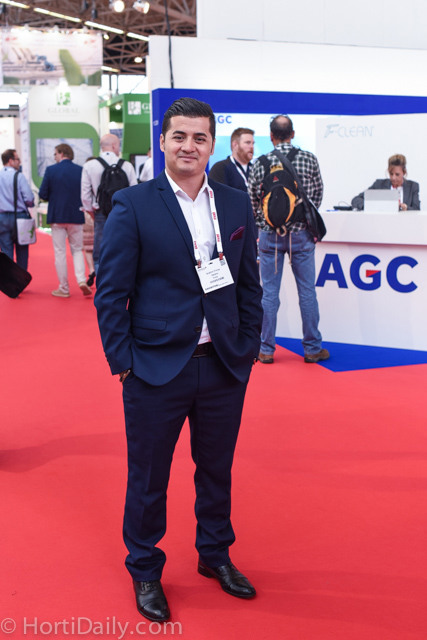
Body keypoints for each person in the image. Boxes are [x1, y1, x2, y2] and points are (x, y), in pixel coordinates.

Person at [94, 97, 263, 623]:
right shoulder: (133, 203)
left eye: (199, 138)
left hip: (223, 365)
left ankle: (215, 554)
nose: (189, 146)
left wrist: (247, 346)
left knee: (216, 469)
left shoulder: (234, 203)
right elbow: (111, 292)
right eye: (180, 136)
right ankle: (145, 567)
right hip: (153, 368)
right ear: (163, 141)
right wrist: (123, 362)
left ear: (212, 145)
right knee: (148, 476)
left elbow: (249, 285)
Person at [248, 115, 329, 364]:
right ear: (292, 134)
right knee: (307, 291)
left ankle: (265, 349)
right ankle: (312, 348)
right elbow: (317, 196)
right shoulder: (308, 159)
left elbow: (252, 200)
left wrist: (267, 222)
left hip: (269, 236)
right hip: (301, 235)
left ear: (271, 136)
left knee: (269, 293)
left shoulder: (260, 162)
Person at [39, 143, 91, 298]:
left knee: (60, 252)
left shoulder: (51, 170)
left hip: (57, 216)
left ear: (61, 153)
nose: (54, 157)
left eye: (55, 154)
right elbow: (86, 192)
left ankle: (64, 287)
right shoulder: (80, 170)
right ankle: (81, 280)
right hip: (76, 215)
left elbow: (43, 194)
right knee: (77, 250)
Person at [80, 134, 137, 274]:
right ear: (114, 146)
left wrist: (91, 212)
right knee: (124, 248)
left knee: (100, 251)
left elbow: (85, 195)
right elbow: (134, 192)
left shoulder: (89, 166)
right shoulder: (127, 166)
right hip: (124, 213)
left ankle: (102, 282)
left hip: (100, 212)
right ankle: (123, 278)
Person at [0, 148, 34, 270]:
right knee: (22, 251)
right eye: (17, 159)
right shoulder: (19, 176)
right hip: (20, 217)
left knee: (5, 251)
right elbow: (29, 198)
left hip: (2, 217)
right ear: (10, 161)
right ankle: (21, 277)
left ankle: (9, 278)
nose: (19, 162)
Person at [351, 154, 420, 211]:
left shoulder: (413, 186)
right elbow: (356, 200)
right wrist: (374, 206)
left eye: (397, 174)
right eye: (391, 174)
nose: (393, 178)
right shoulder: (379, 184)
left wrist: (406, 208)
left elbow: (417, 209)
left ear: (404, 172)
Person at [208, 127, 254, 192]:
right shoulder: (220, 168)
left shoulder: (256, 169)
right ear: (235, 145)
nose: (252, 146)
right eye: (248, 143)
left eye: (253, 143)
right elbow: (217, 195)